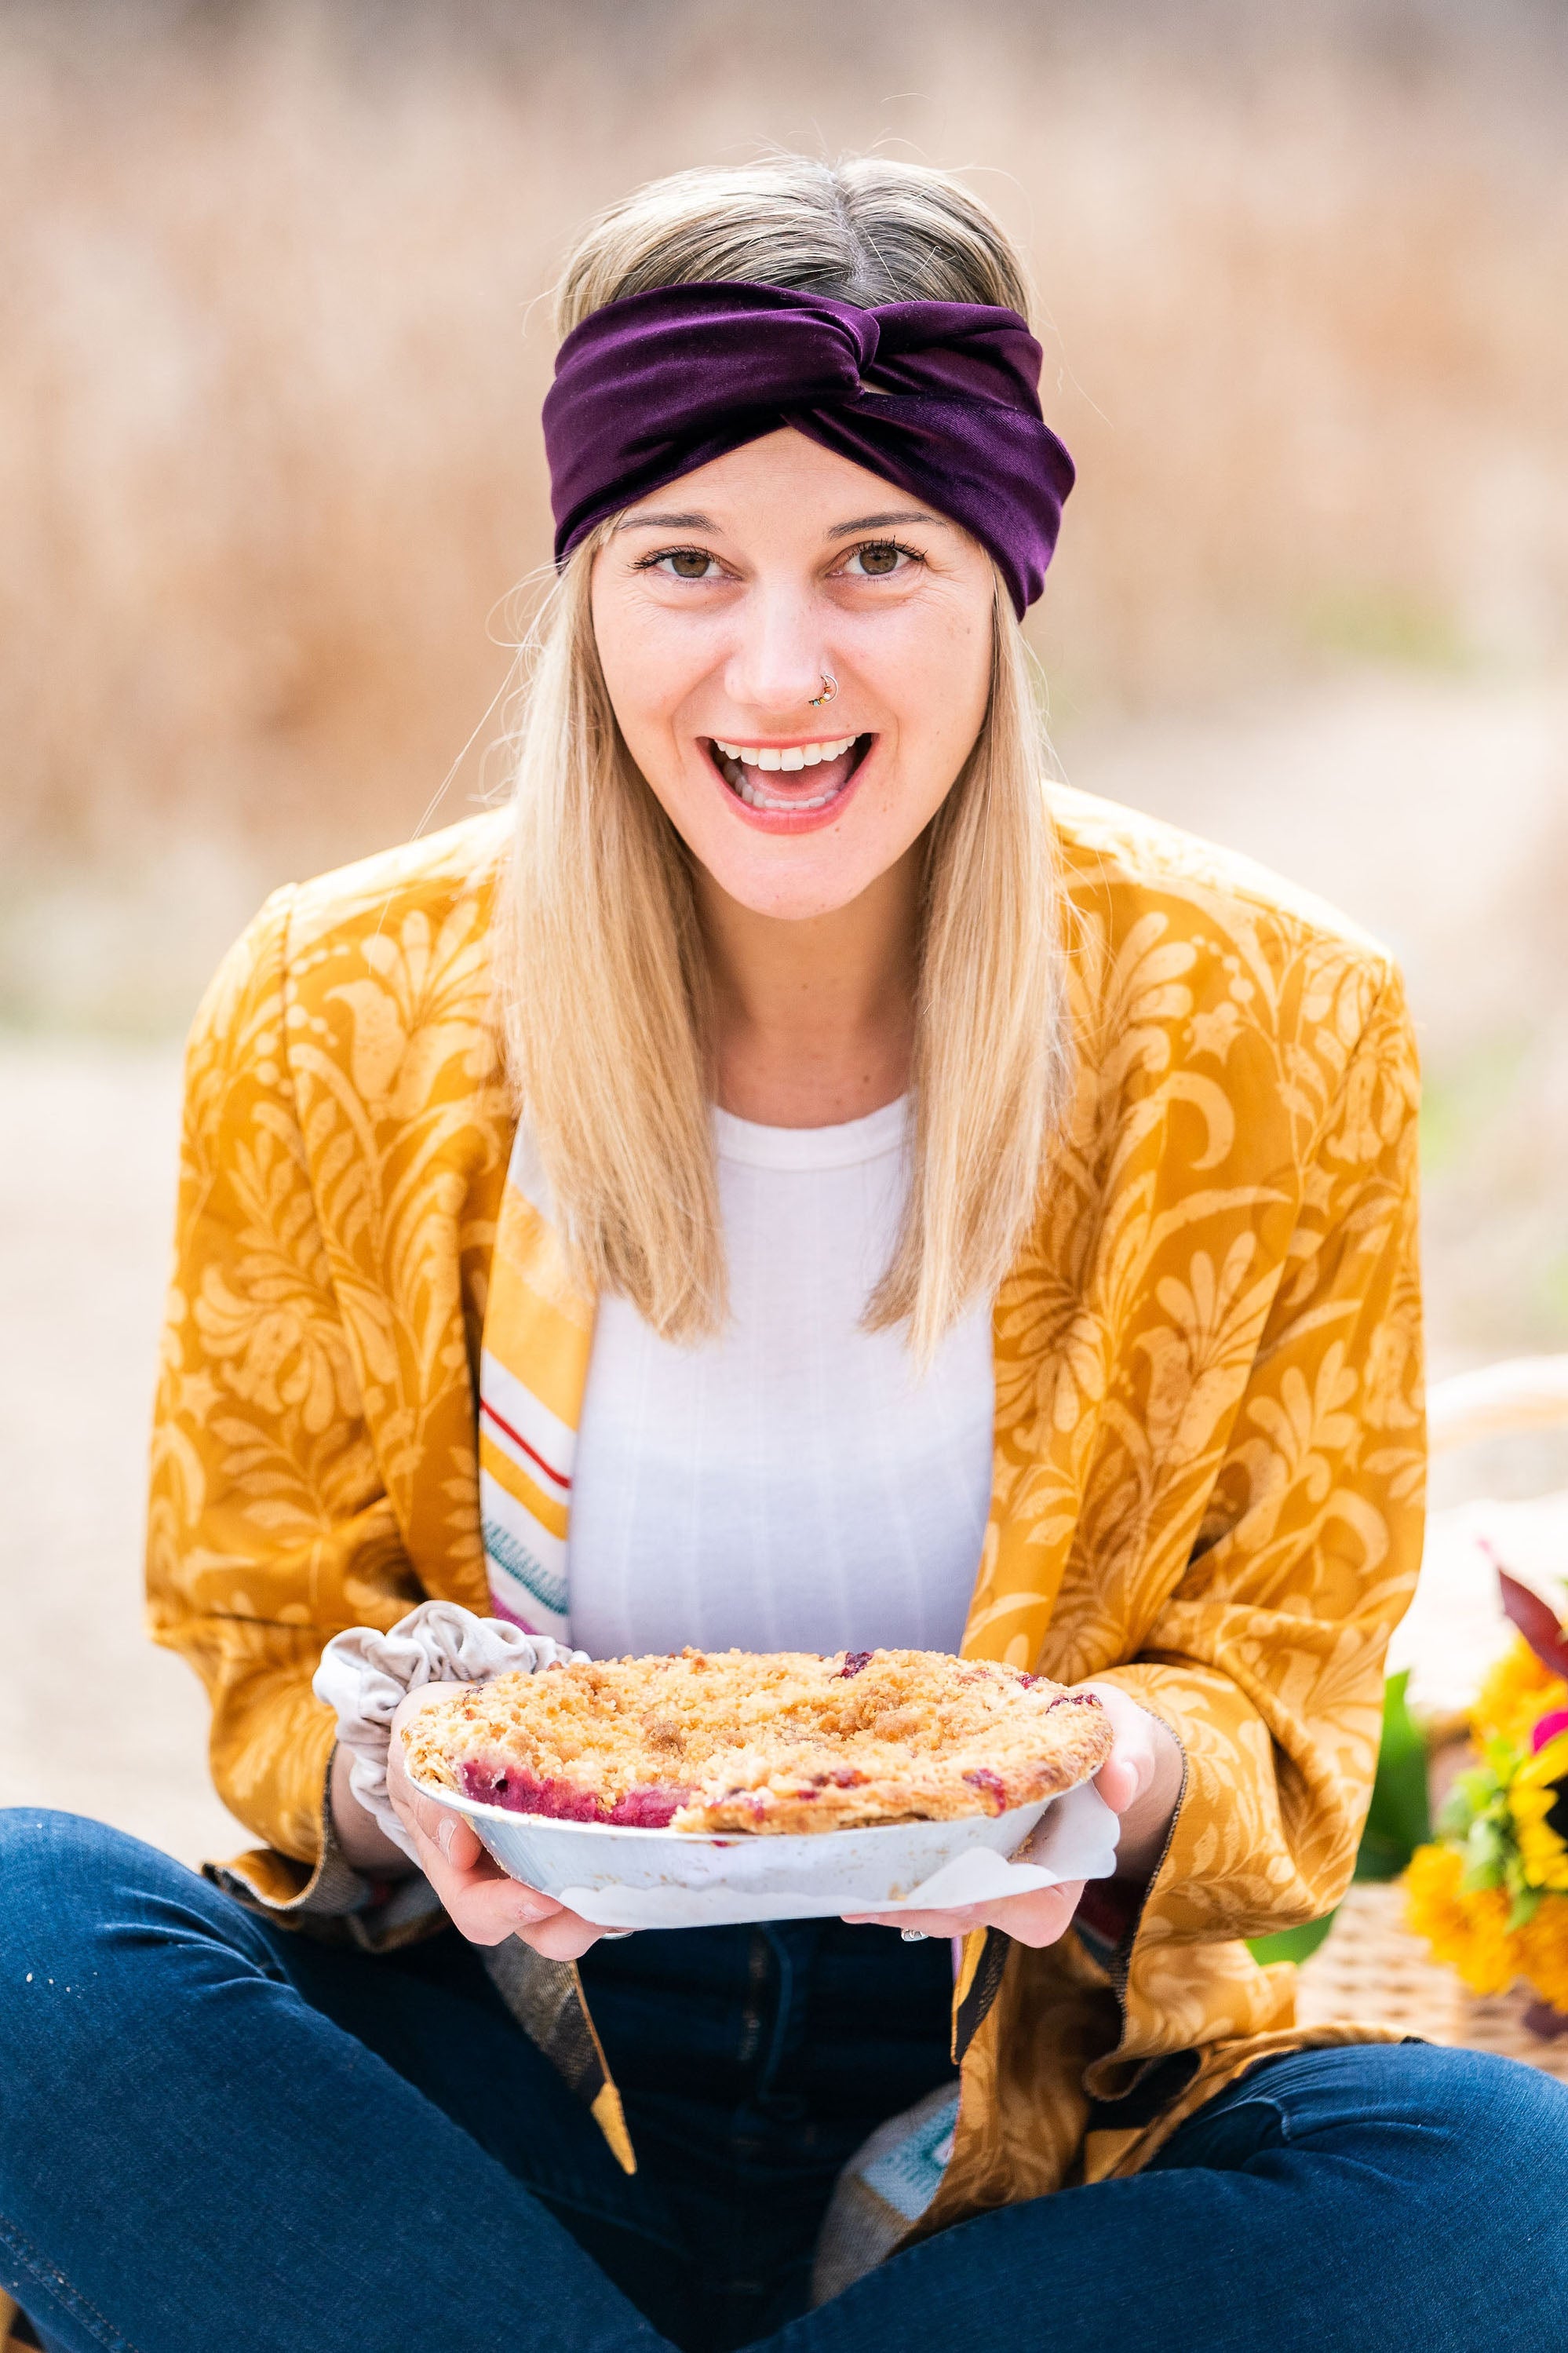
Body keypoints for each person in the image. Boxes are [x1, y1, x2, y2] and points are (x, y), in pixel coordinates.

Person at [3, 152, 1565, 2353]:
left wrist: (1113, 1772)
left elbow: (1289, 1731)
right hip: (516, 2059)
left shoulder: (1277, 1024)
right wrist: (390, 1783)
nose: (777, 663)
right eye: (686, 561)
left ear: (1003, 577)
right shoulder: (333, 1004)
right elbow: (274, 1650)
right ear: (589, 582)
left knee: (1519, 2190)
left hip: (1010, 2101)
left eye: (875, 558)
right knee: (19, 1933)